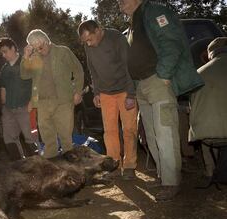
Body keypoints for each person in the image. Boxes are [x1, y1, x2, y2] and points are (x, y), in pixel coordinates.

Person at [117, 0, 204, 200]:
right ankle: (163, 176)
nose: (119, 2)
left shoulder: (155, 12)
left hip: (157, 81)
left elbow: (171, 43)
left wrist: (164, 75)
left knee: (165, 131)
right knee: (151, 134)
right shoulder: (133, 24)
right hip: (141, 85)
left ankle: (171, 181)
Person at [78, 20, 138, 180]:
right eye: (85, 42)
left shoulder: (116, 38)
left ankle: (130, 165)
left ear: (98, 30)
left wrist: (131, 94)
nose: (88, 44)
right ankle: (114, 165)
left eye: (90, 39)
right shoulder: (88, 46)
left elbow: (129, 66)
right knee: (109, 131)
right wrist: (96, 92)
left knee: (129, 129)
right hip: (105, 93)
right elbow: (92, 70)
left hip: (125, 90)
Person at [20, 29, 84, 158]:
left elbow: (78, 70)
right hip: (43, 102)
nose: (38, 47)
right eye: (33, 45)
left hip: (63, 100)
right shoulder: (34, 58)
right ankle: (51, 167)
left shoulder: (63, 51)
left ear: (46, 39)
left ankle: (71, 169)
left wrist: (78, 91)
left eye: (39, 42)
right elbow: (24, 75)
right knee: (48, 139)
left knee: (66, 137)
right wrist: (25, 57)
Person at [189, 37, 227, 183]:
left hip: (207, 135)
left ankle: (210, 171)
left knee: (205, 123)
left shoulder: (199, 73)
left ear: (211, 53)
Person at [0, 37, 38, 160]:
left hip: (26, 107)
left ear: (13, 48)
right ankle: (20, 166)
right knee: (9, 139)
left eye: (5, 51)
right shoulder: (4, 69)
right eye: (2, 53)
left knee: (31, 138)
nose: (4, 55)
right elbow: (3, 88)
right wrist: (3, 106)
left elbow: (37, 83)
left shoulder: (26, 62)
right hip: (8, 109)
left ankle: (38, 168)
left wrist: (33, 102)